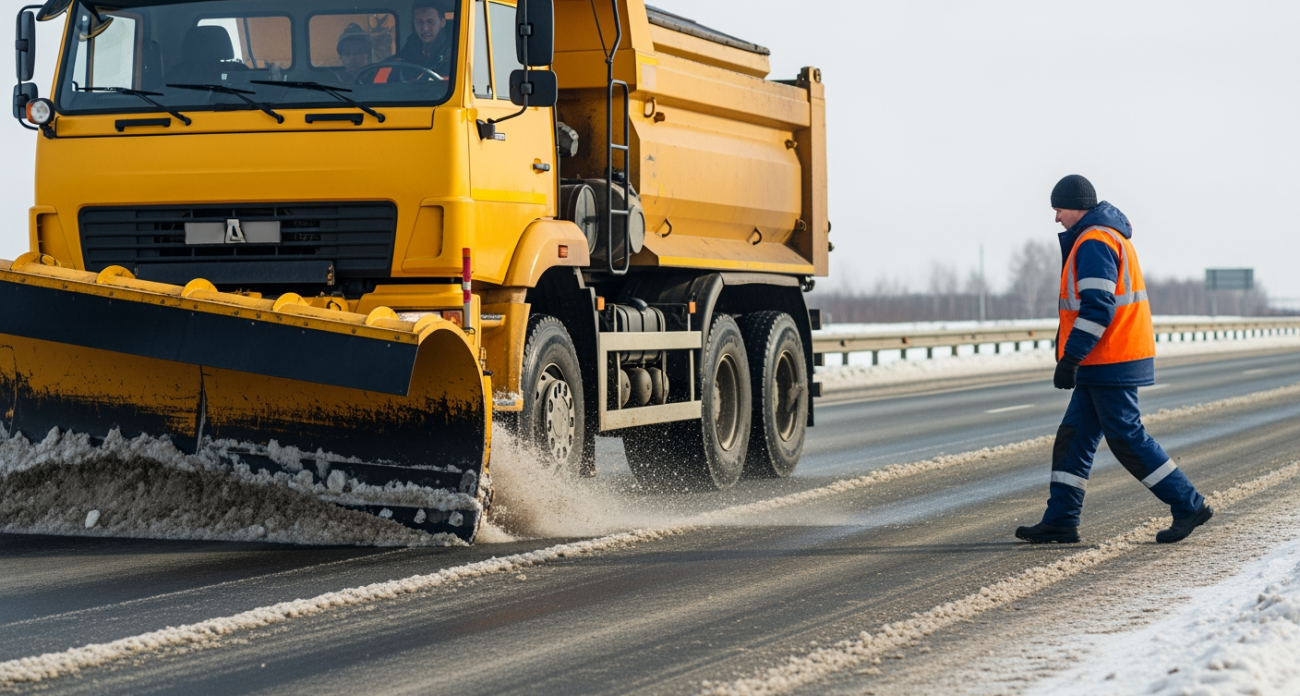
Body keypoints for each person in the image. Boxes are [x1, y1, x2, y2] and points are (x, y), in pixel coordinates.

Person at [1016, 175, 1214, 545]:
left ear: (1077, 206)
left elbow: (1097, 307)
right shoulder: (1102, 237)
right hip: (1103, 359)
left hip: (1110, 358)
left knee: (1126, 437)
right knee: (1074, 438)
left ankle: (1189, 505)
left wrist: (1070, 357)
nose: (1056, 217)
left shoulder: (1094, 241)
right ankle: (1061, 519)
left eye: (1058, 209)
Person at [395, 0, 454, 77]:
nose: (425, 28)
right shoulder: (409, 50)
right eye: (419, 22)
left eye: (430, 22)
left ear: (442, 22)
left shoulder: (456, 51)